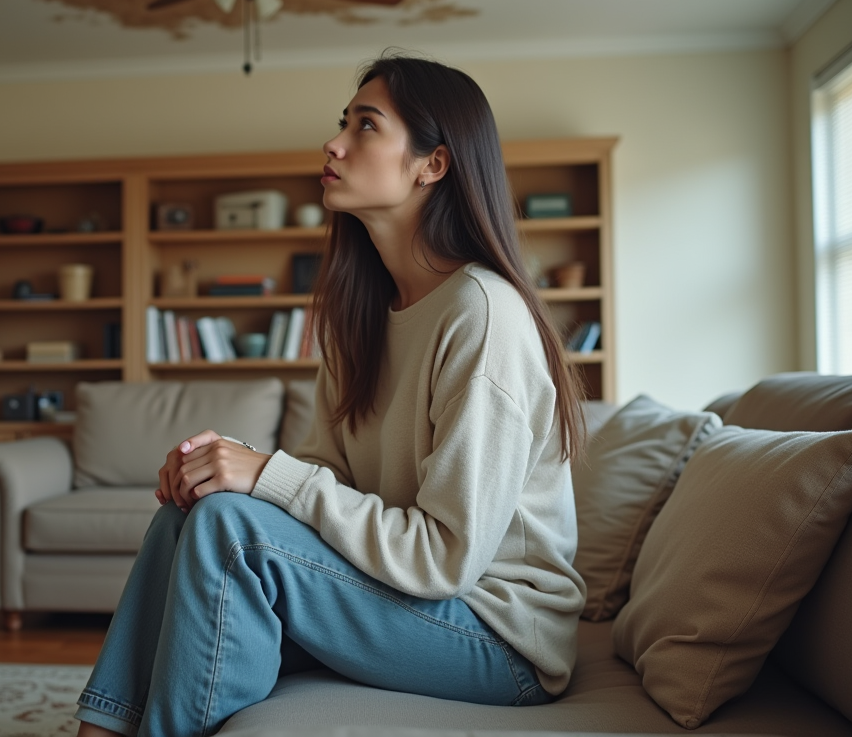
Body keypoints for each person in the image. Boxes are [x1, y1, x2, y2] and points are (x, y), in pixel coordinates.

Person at [75, 54, 588, 737]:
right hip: (403, 598)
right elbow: (330, 482)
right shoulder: (363, 316)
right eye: (342, 123)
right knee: (195, 511)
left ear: (431, 165)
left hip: (498, 637)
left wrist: (264, 479)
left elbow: (445, 559)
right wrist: (228, 472)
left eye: (366, 126)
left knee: (232, 528)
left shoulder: (481, 314)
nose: (334, 143)